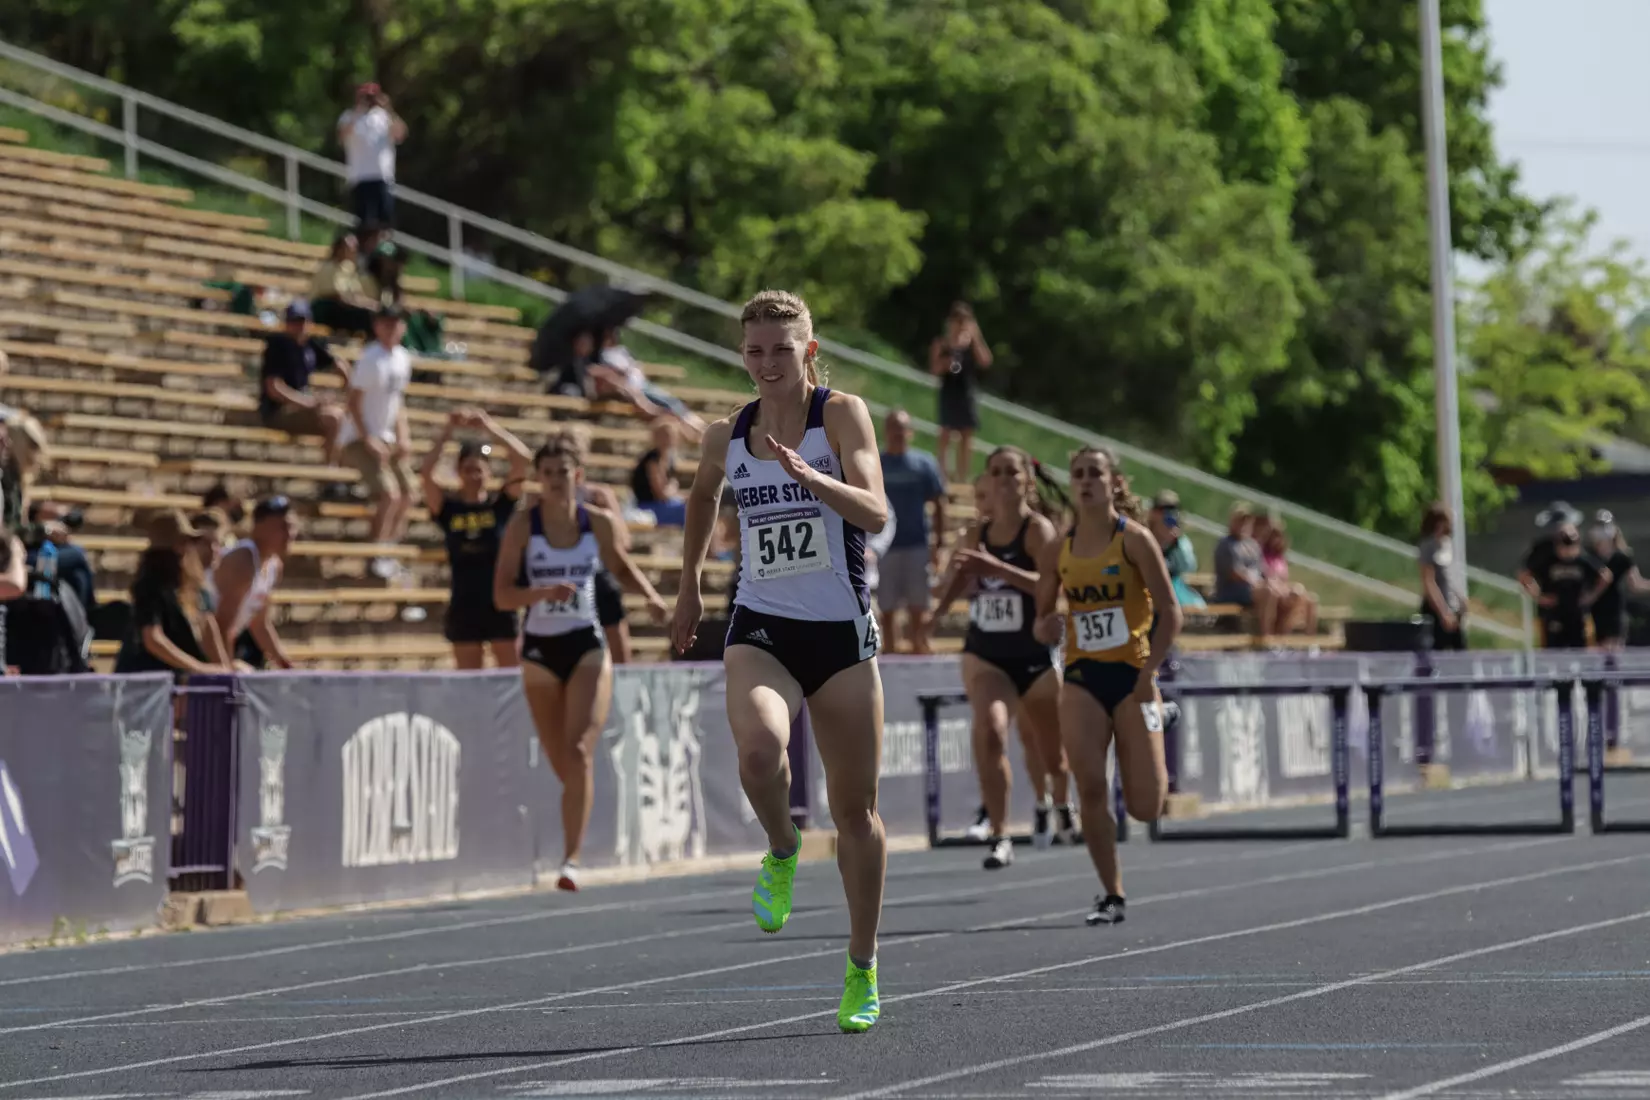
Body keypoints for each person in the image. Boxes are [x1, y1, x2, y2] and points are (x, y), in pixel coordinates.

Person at [670, 289, 890, 1033]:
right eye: (755, 351)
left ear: (810, 351)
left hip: (841, 635)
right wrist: (689, 585)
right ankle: (781, 846)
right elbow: (702, 498)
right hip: (760, 623)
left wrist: (812, 479)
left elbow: (876, 512)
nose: (768, 364)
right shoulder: (724, 434)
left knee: (855, 811)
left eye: (782, 350)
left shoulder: (841, 414)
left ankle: (861, 966)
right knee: (759, 755)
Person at [493, 434, 669, 892]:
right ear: (538, 478)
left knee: (578, 754)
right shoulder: (522, 527)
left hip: (587, 644)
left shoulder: (600, 523)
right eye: (546, 474)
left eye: (562, 473)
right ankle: (577, 828)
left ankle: (570, 859)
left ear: (578, 476)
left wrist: (651, 598)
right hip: (538, 650)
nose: (554, 481)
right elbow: (501, 594)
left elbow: (621, 566)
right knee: (562, 763)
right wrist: (541, 594)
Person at [1033, 445, 1180, 926]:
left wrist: (1149, 673)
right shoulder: (1060, 548)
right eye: (1078, 474)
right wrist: (1048, 626)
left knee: (1145, 806)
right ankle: (1112, 893)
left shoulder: (1134, 540)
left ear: (1114, 482)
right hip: (1082, 676)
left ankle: (1163, 716)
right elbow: (1040, 619)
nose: (1086, 481)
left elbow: (1170, 613)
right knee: (1091, 786)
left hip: (1133, 677)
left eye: (1095, 472)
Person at [931, 446, 1074, 869]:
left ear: (1026, 481)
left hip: (1033, 655)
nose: (1005, 479)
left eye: (1012, 472)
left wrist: (998, 567)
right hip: (986, 653)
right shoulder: (977, 533)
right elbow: (961, 575)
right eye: (996, 473)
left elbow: (1052, 588)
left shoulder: (1037, 531)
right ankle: (999, 833)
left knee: (1052, 754)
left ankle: (1061, 803)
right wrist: (936, 615)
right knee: (991, 732)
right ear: (988, 483)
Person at [420, 407, 531, 669]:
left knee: (510, 678)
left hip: (500, 601)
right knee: (469, 683)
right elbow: (426, 473)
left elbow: (523, 459)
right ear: (458, 472)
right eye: (467, 469)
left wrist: (490, 428)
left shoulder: (500, 506)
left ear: (489, 473)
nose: (473, 475)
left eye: (479, 469)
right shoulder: (448, 509)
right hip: (464, 603)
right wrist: (447, 431)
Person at [335, 306, 417, 578]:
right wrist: (368, 437)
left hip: (385, 436)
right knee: (388, 494)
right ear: (377, 326)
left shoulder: (403, 358)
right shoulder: (370, 358)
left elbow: (397, 403)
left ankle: (389, 547)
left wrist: (403, 437)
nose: (392, 328)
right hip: (359, 437)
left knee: (409, 492)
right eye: (387, 322)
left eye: (396, 322)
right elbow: (354, 402)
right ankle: (375, 553)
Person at [115, 511, 229, 679]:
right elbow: (153, 638)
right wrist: (198, 668)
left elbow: (207, 625)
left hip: (171, 682)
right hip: (148, 686)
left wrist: (224, 669)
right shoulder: (150, 586)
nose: (190, 549)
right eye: (185, 543)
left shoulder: (188, 584)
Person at [877, 409, 948, 655]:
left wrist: (939, 543)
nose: (897, 432)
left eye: (902, 427)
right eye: (893, 427)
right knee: (886, 606)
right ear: (885, 431)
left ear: (910, 432)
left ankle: (919, 648)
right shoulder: (876, 463)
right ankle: (891, 649)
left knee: (919, 604)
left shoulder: (924, 463)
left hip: (917, 544)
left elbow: (939, 504)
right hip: (884, 547)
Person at [260, 301, 349, 469]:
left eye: (303, 321)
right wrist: (308, 403)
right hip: (278, 411)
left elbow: (339, 364)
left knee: (346, 417)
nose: (299, 326)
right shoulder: (277, 347)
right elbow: (274, 388)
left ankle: (339, 467)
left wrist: (348, 392)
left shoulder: (310, 345)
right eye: (295, 321)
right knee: (335, 418)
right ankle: (330, 472)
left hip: (299, 407)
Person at [214, 496, 298, 671]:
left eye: (292, 527)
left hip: (215, 643)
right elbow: (220, 624)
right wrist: (226, 670)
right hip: (196, 644)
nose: (289, 534)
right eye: (282, 527)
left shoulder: (274, 565)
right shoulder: (243, 561)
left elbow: (259, 624)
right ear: (259, 527)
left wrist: (287, 666)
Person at [1518, 520, 1611, 650]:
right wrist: (1539, 597)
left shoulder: (1583, 559)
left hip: (1578, 614)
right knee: (1552, 652)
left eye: (1572, 544)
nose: (1568, 551)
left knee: (1582, 651)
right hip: (1553, 613)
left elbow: (1606, 576)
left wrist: (1591, 597)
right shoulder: (1547, 559)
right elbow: (1523, 576)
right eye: (1564, 545)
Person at [929, 302, 991, 482]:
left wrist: (977, 337)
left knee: (966, 435)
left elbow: (985, 361)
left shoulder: (971, 344)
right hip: (949, 390)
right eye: (958, 320)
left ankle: (962, 477)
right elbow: (933, 369)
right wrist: (945, 364)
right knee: (945, 434)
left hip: (966, 390)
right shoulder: (942, 343)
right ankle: (942, 475)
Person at [337, 83, 406, 230]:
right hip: (360, 177)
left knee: (385, 221)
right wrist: (358, 110)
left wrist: (388, 108)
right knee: (364, 222)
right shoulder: (349, 116)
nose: (369, 100)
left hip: (383, 177)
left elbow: (400, 134)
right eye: (366, 96)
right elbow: (342, 136)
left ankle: (382, 251)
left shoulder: (385, 117)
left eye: (372, 96)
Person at [1212, 502, 1279, 634]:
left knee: (1292, 594)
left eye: (1247, 521)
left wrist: (1276, 583)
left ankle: (1283, 637)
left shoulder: (1253, 545)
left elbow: (1263, 571)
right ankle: (1266, 637)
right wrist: (1258, 582)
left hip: (1254, 587)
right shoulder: (1225, 544)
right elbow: (1234, 573)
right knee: (1268, 592)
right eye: (1240, 521)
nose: (1244, 525)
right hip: (1232, 590)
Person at [1586, 512, 1649, 651]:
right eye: (1599, 526)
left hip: (1615, 611)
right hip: (1594, 611)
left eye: (1605, 526)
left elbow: (1636, 584)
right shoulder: (1588, 556)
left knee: (1613, 652)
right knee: (1595, 653)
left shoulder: (1622, 557)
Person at [309, 231, 377, 339]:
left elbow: (356, 294)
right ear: (338, 249)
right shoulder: (327, 268)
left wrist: (370, 303)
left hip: (343, 306)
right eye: (349, 248)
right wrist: (360, 304)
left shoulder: (349, 269)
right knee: (363, 315)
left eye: (354, 248)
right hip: (324, 309)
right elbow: (335, 296)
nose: (353, 251)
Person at [1417, 502, 1466, 651]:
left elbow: (1448, 578)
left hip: (1452, 605)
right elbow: (1429, 581)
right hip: (1436, 608)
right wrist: (1443, 611)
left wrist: (1460, 600)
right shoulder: (1428, 546)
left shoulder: (1446, 545)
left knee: (1460, 648)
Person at [1148, 491, 1204, 610]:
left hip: (1173, 590)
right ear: (1154, 513)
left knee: (1198, 607)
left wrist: (1176, 543)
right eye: (1163, 510)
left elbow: (1189, 568)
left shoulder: (1179, 542)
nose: (1169, 515)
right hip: (1148, 591)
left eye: (1173, 510)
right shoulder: (1143, 536)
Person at [630, 418, 688, 527]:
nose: (668, 439)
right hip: (649, 508)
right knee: (690, 511)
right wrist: (673, 488)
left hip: (663, 504)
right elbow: (661, 494)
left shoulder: (668, 459)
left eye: (671, 435)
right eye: (664, 435)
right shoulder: (652, 460)